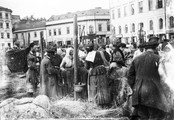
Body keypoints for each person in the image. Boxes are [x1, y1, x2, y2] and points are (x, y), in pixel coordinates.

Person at [128, 37, 170, 120]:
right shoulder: (158, 59)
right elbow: (164, 77)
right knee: (155, 116)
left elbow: (130, 76)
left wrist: (135, 87)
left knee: (143, 116)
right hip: (154, 93)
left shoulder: (136, 59)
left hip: (138, 93)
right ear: (156, 48)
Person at [85, 42, 111, 107]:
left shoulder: (89, 55)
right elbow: (106, 62)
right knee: (103, 87)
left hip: (93, 73)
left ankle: (95, 102)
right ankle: (104, 102)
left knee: (94, 87)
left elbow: (87, 67)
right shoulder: (100, 53)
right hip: (102, 71)